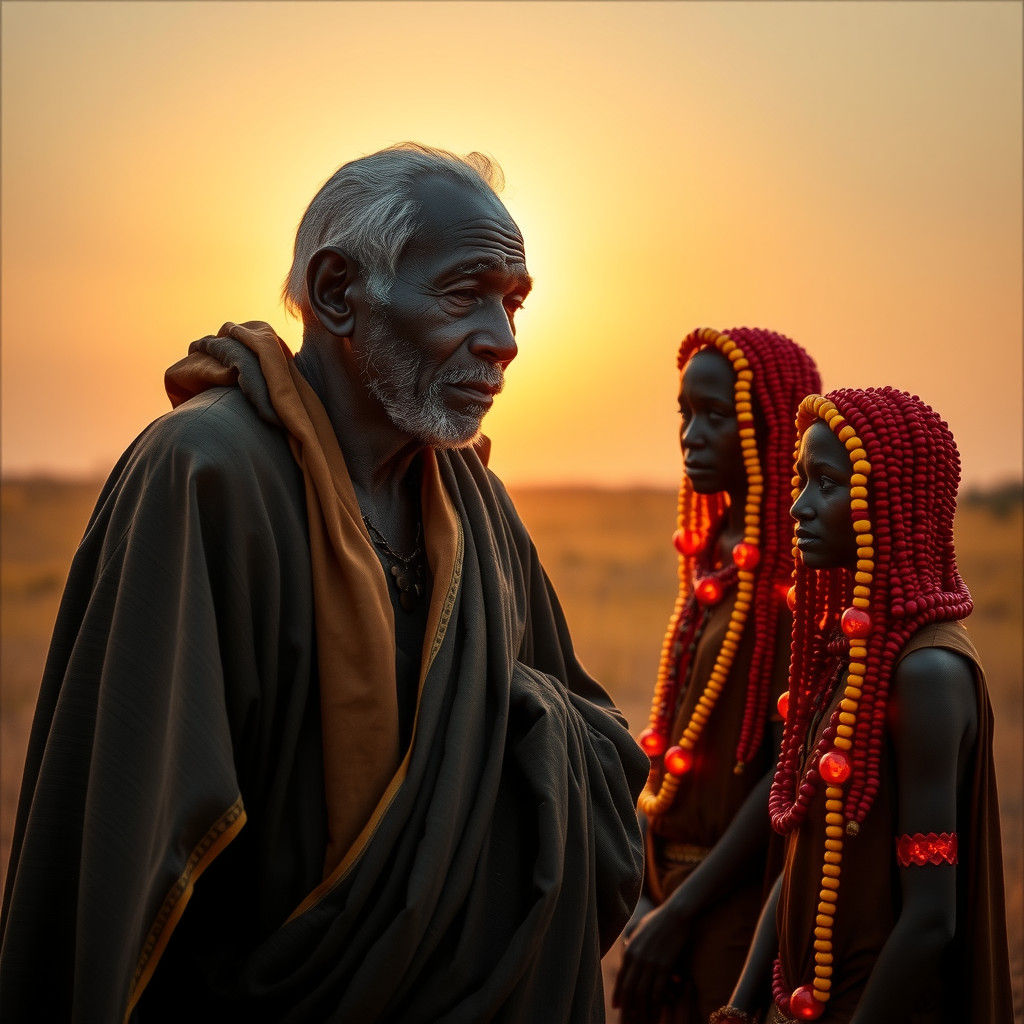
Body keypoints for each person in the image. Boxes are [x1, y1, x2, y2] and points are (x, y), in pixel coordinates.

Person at [0, 143, 649, 1023]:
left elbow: (596, 753)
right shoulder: (204, 473)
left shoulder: (476, 506)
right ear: (339, 291)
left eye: (514, 303)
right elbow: (128, 827)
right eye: (466, 294)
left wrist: (535, 740)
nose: (504, 341)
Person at [713, 387, 1014, 1024]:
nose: (799, 505)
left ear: (894, 503)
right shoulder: (848, 655)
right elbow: (804, 861)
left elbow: (930, 920)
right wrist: (739, 1009)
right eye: (801, 479)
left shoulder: (926, 673)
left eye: (826, 483)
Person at [612, 327, 821, 1024]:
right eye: (685, 413)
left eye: (715, 416)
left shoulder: (796, 578)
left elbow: (785, 775)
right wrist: (649, 893)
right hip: (666, 888)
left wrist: (680, 912)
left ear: (771, 429)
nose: (690, 436)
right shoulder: (715, 558)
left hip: (734, 907)